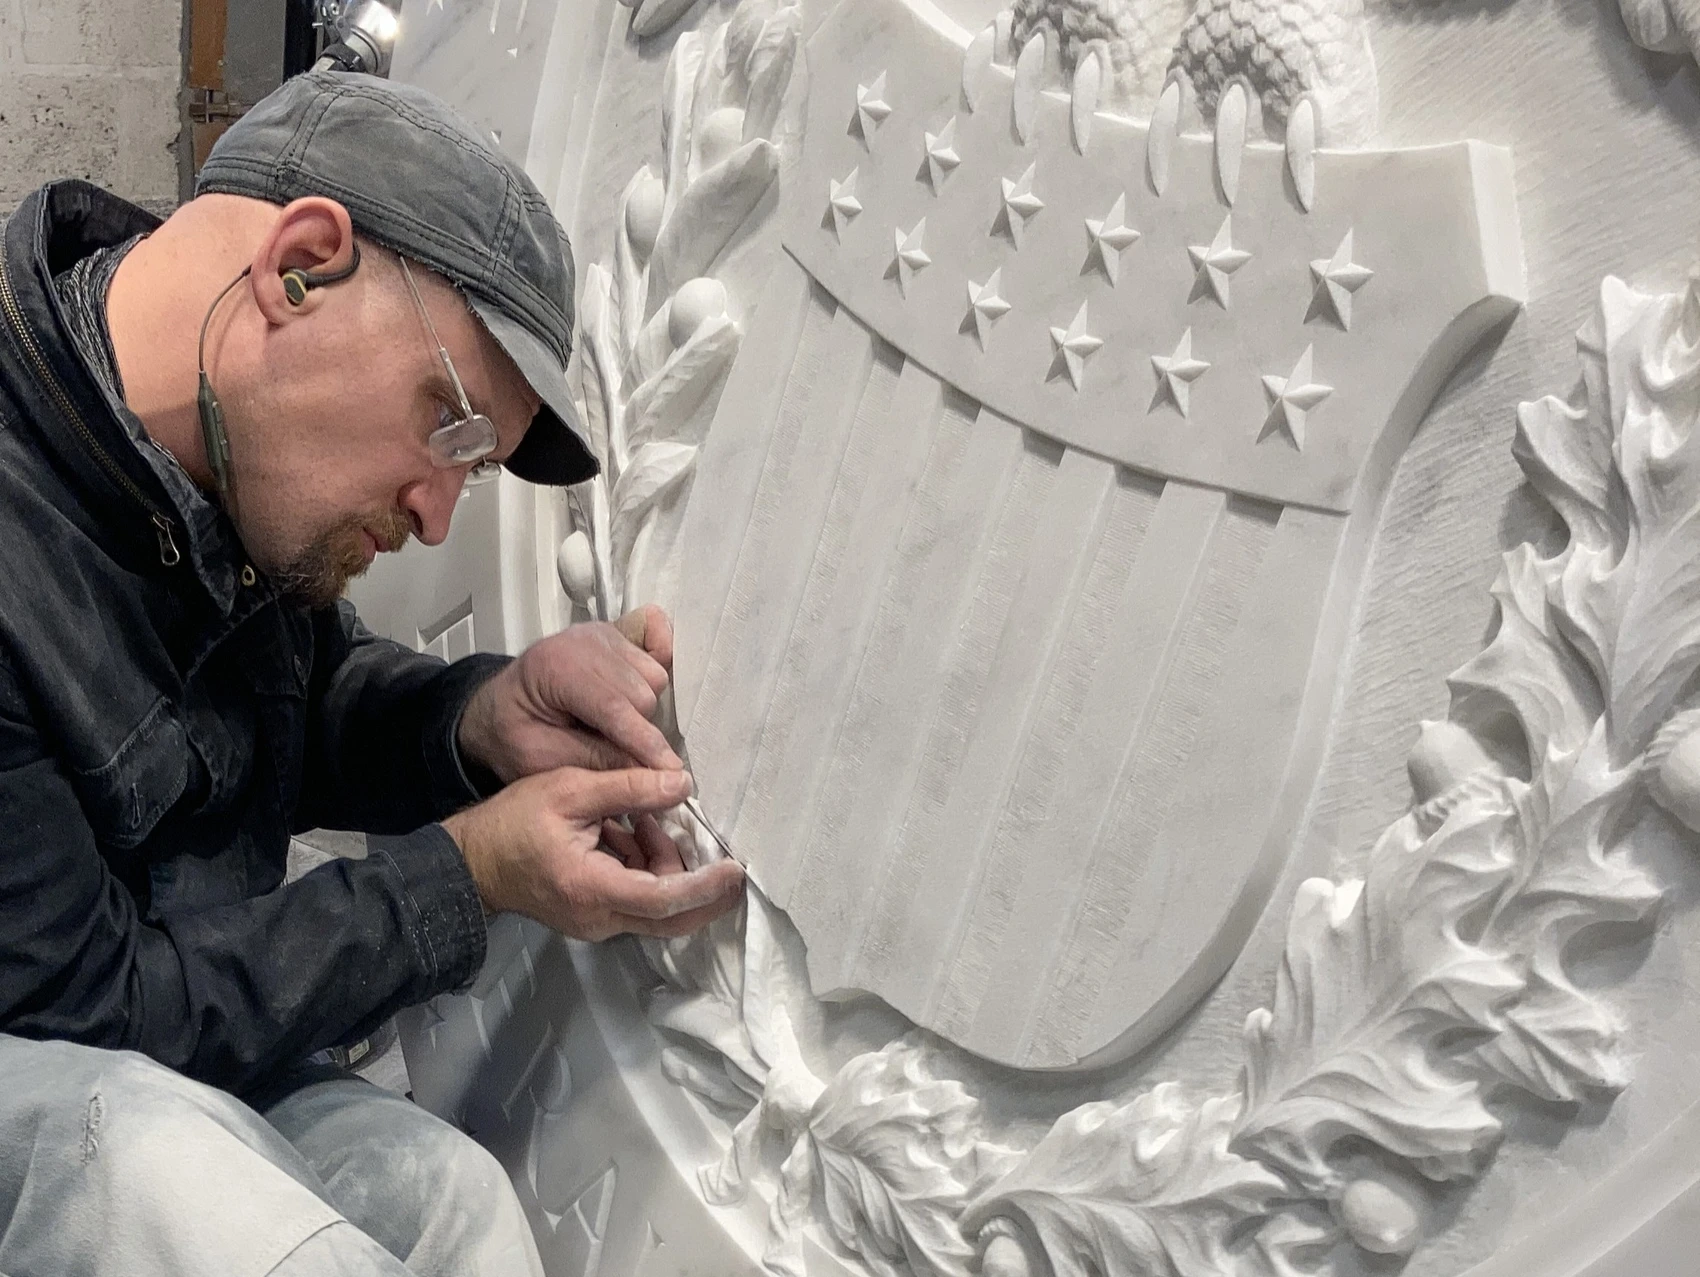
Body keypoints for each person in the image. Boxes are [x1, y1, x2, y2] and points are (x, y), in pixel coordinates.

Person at [0, 70, 745, 1275]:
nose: (437, 514)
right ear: (299, 266)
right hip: (71, 1045)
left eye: (474, 466)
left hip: (159, 1049)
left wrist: (481, 717)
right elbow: (88, 1009)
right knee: (159, 1177)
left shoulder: (212, 455)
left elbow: (292, 703)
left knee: (450, 1198)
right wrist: (472, 871)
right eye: (448, 425)